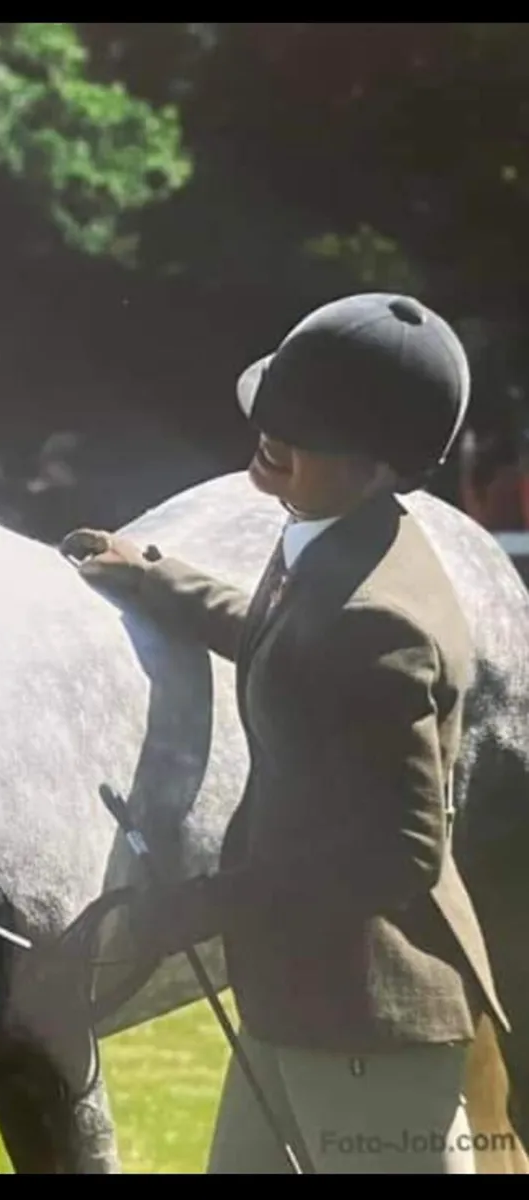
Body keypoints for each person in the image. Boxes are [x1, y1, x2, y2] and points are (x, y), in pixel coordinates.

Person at [60, 293, 511, 1174]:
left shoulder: (376, 616)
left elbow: (400, 854)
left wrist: (195, 906)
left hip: (367, 1021)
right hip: (292, 995)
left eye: (308, 427)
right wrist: (154, 577)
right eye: (279, 409)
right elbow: (288, 643)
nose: (273, 434)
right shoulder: (335, 538)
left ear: (383, 465)